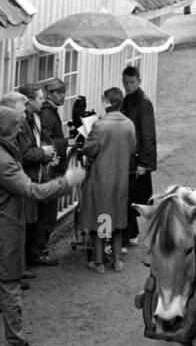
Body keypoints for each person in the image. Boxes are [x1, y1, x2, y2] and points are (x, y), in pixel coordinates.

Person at [0, 105, 85, 346]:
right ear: (10, 130)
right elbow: (32, 192)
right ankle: (16, 344)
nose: (22, 131)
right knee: (10, 285)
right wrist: (67, 181)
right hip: (0, 231)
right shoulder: (3, 160)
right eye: (19, 126)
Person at [77, 88, 136, 272]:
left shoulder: (101, 125)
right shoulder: (129, 124)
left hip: (102, 177)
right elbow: (133, 147)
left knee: (103, 217)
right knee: (117, 217)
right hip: (121, 177)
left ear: (106, 102)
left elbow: (89, 149)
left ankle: (99, 260)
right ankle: (117, 259)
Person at [17, 82, 59, 265]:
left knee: (36, 219)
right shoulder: (24, 122)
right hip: (30, 178)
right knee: (30, 221)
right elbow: (25, 152)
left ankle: (32, 255)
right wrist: (44, 153)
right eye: (40, 98)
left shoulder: (36, 118)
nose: (44, 101)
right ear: (28, 101)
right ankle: (29, 257)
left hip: (38, 174)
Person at [35, 76, 71, 260]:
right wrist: (66, 142)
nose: (64, 96)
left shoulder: (49, 112)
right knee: (47, 214)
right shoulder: (48, 114)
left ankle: (40, 249)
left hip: (50, 168)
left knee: (47, 212)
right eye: (60, 93)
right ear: (49, 94)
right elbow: (46, 142)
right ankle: (39, 251)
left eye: (64, 92)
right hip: (50, 170)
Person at [120, 65, 156, 241]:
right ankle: (131, 232)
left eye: (132, 82)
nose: (128, 85)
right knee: (129, 194)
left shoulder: (143, 102)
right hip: (130, 156)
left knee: (133, 196)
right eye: (125, 82)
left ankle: (128, 234)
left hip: (137, 158)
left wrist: (143, 162)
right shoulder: (127, 100)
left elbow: (148, 134)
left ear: (139, 81)